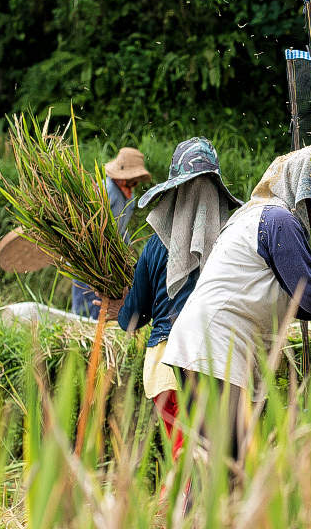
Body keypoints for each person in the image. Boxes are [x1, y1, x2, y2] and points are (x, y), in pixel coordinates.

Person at [161, 146, 311, 454]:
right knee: (228, 466)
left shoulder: (254, 216)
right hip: (215, 353)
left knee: (223, 463)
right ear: (310, 197)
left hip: (203, 351)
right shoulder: (279, 220)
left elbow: (301, 305)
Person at [101, 137, 242, 462]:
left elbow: (134, 316)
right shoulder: (230, 244)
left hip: (166, 367)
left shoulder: (153, 247)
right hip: (216, 365)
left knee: (187, 461)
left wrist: (118, 309)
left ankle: (177, 509)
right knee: (204, 462)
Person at [72, 147, 151, 319]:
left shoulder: (129, 197)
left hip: (108, 259)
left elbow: (121, 229)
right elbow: (87, 223)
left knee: (105, 304)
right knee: (86, 307)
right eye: (134, 178)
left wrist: (127, 251)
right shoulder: (105, 190)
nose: (136, 182)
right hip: (91, 258)